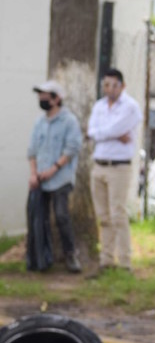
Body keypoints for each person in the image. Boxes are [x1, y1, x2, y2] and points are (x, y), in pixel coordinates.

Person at [87, 68, 143, 272]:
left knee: (118, 214)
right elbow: (92, 131)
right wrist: (110, 134)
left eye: (113, 85)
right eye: (106, 85)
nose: (109, 89)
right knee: (103, 216)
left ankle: (125, 261)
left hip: (119, 166)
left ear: (122, 86)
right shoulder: (99, 106)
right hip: (99, 165)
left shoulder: (131, 107)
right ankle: (106, 260)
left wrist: (105, 133)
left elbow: (111, 130)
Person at [26, 80, 83, 273]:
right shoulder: (39, 122)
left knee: (61, 215)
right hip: (40, 179)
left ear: (57, 99)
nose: (42, 99)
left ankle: (70, 255)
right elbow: (32, 151)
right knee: (37, 219)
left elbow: (72, 148)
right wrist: (34, 174)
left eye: (45, 96)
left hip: (60, 178)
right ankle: (39, 258)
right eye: (40, 96)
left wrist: (53, 169)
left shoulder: (69, 121)